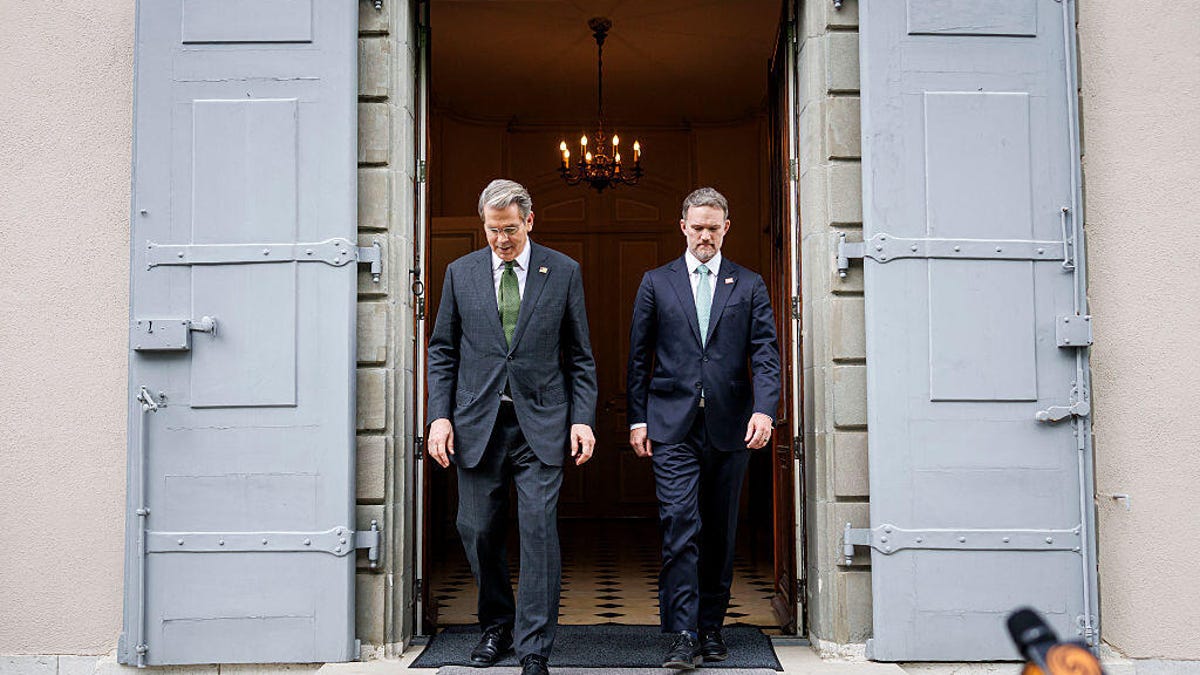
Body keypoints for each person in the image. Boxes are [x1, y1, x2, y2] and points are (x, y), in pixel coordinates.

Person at [427, 179, 598, 675]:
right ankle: (496, 624)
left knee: (539, 532)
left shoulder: (562, 271)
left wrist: (582, 419)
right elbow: (443, 351)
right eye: (492, 229)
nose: (501, 239)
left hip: (541, 424)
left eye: (509, 229)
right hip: (477, 421)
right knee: (476, 528)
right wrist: (439, 416)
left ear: (529, 221)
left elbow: (580, 356)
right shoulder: (459, 274)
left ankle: (534, 648)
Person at [626, 187, 781, 669]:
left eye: (713, 227)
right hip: (671, 425)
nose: (705, 235)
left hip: (731, 426)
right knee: (680, 526)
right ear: (683, 227)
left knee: (719, 530)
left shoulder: (749, 284)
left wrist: (764, 409)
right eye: (697, 227)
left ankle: (711, 627)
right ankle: (682, 634)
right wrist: (637, 417)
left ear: (726, 227)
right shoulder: (656, 282)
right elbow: (638, 357)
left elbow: (766, 354)